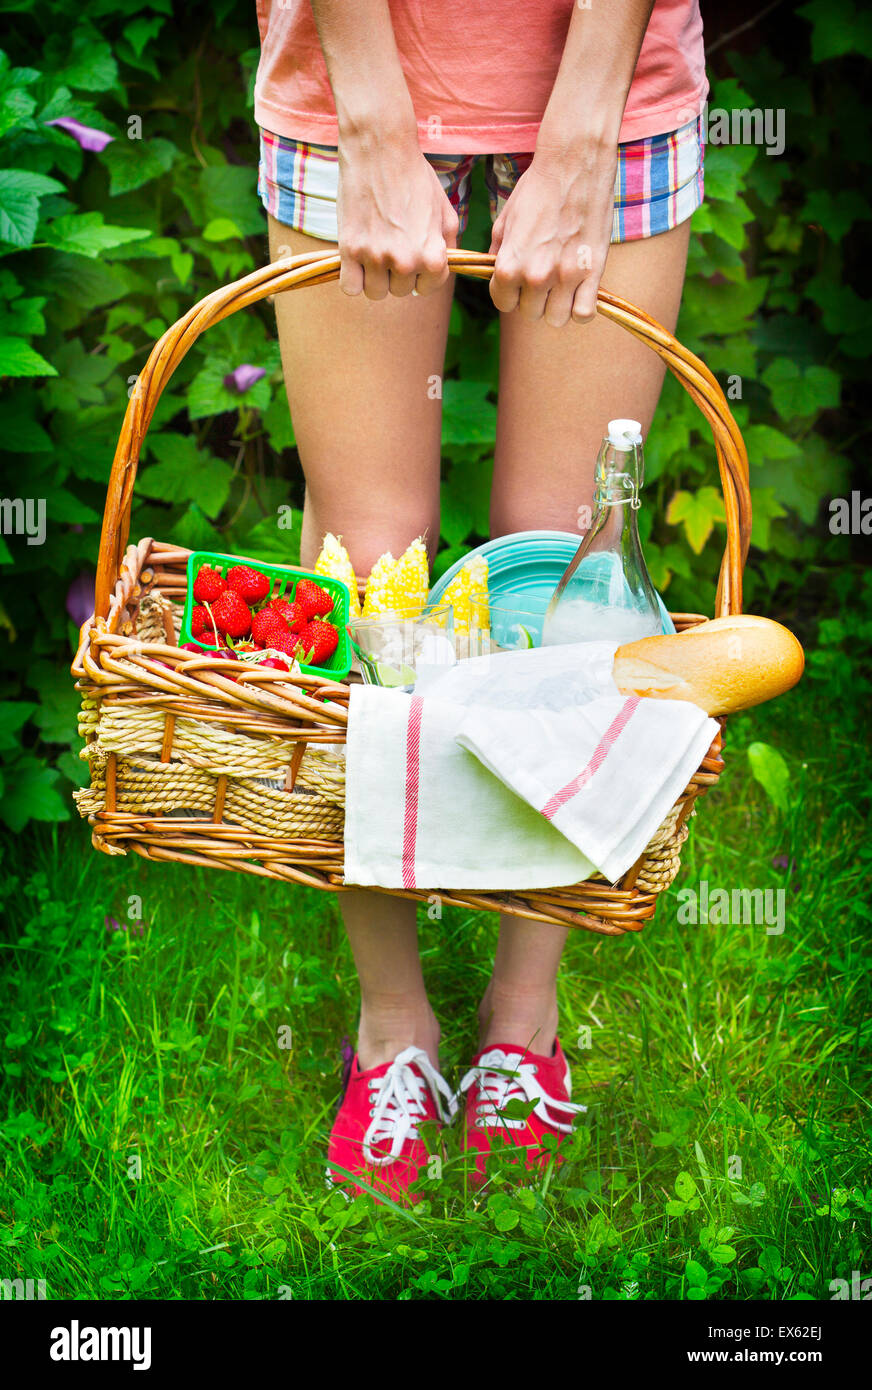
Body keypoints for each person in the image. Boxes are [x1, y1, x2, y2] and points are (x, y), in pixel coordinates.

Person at [253, 0, 707, 1202]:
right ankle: (393, 1028)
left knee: (566, 577)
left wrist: (581, 132)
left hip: (610, 93)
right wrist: (367, 111)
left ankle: (521, 1015)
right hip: (350, 79)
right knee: (361, 571)